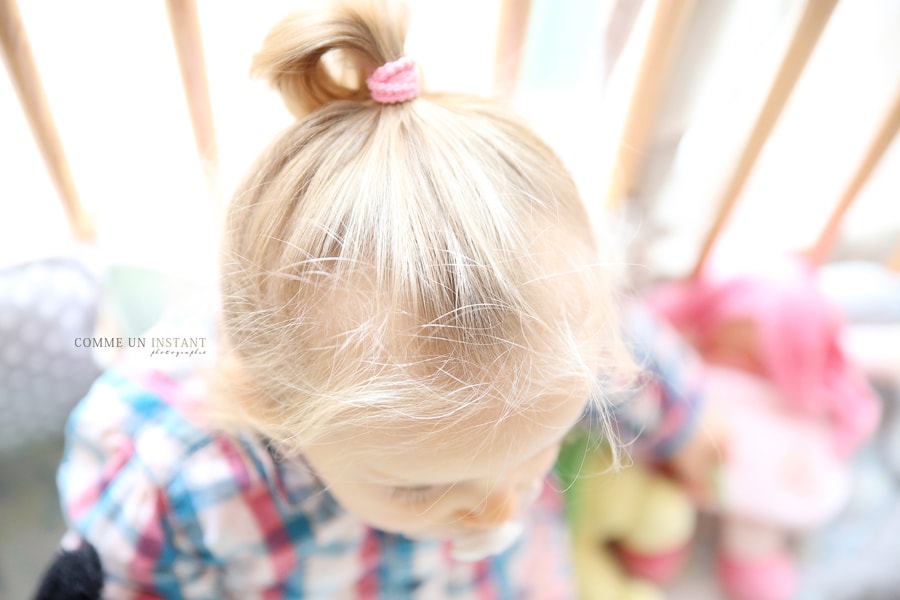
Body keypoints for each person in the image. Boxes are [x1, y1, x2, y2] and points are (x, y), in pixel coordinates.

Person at [56, 1, 715, 597]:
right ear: (276, 410)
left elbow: (631, 351)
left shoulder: (558, 334)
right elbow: (124, 578)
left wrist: (688, 425)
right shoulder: (191, 487)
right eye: (422, 486)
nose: (499, 510)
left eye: (534, 451)